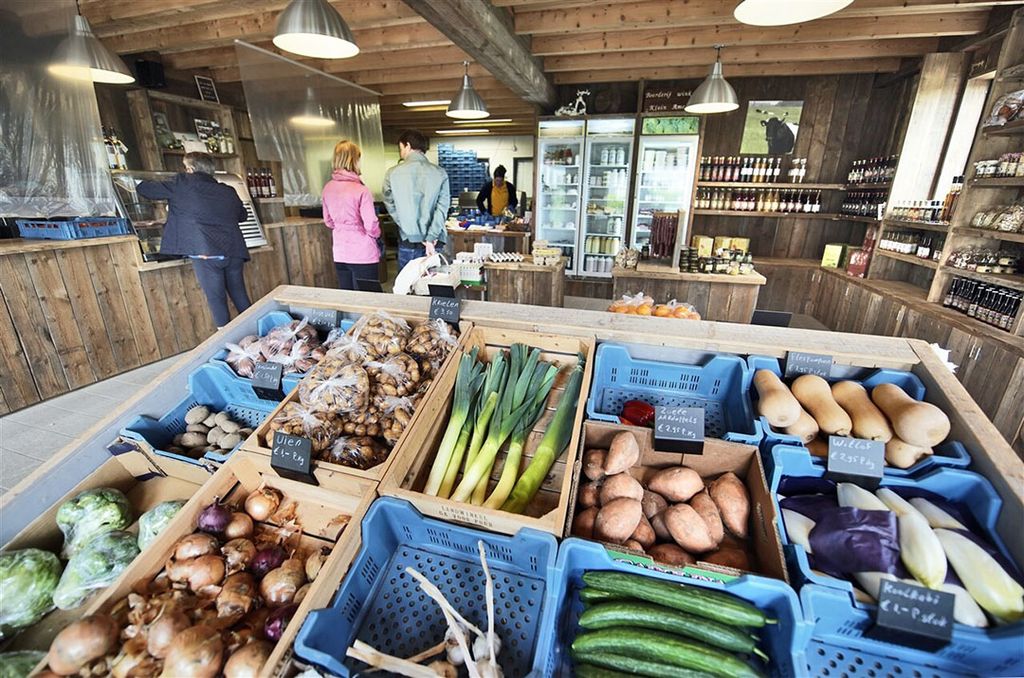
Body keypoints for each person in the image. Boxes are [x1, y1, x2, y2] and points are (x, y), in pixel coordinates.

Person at [136, 152, 250, 328]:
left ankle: (228, 347)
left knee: (217, 300)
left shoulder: (181, 183)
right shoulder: (228, 190)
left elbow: (144, 189)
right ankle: (260, 337)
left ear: (189, 168)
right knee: (240, 296)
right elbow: (242, 215)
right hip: (234, 251)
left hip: (206, 252)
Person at [382, 129, 450, 271]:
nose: (401, 153)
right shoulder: (440, 173)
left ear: (407, 145)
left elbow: (390, 203)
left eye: (401, 149)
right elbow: (442, 208)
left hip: (408, 239)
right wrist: (431, 236)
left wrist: (406, 225)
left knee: (407, 288)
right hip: (434, 241)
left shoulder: (392, 173)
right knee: (434, 286)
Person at [322, 139, 381, 290]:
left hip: (340, 251)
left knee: (347, 297)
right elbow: (371, 224)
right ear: (354, 160)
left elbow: (328, 221)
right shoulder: (361, 190)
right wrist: (375, 235)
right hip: (363, 253)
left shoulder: (327, 188)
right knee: (369, 299)